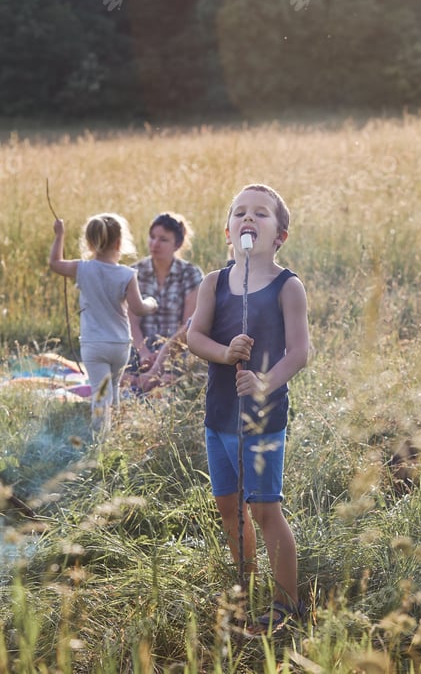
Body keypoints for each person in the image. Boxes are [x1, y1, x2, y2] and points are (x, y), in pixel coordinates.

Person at [187, 183, 309, 635]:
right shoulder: (214, 283)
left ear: (280, 235)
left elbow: (299, 352)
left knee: (263, 509)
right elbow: (194, 336)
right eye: (240, 213)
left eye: (261, 213)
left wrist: (263, 383)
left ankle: (286, 602)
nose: (248, 219)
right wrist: (224, 353)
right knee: (228, 506)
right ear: (228, 231)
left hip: (262, 419)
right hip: (218, 415)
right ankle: (248, 582)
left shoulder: (286, 286)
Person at [49, 214, 158, 432]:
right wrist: (151, 303)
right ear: (119, 242)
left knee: (100, 393)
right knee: (114, 389)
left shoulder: (83, 268)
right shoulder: (127, 274)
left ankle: (100, 444)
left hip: (94, 345)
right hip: (119, 345)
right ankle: (115, 436)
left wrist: (59, 235)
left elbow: (55, 264)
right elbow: (138, 308)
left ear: (89, 243)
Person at [125, 212, 203, 393]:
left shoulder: (190, 274)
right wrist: (143, 352)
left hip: (175, 349)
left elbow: (188, 325)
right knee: (115, 376)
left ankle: (151, 383)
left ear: (177, 244)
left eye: (163, 239)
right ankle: (142, 384)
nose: (154, 244)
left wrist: (159, 362)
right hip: (139, 347)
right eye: (152, 237)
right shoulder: (134, 272)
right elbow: (131, 320)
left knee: (172, 380)